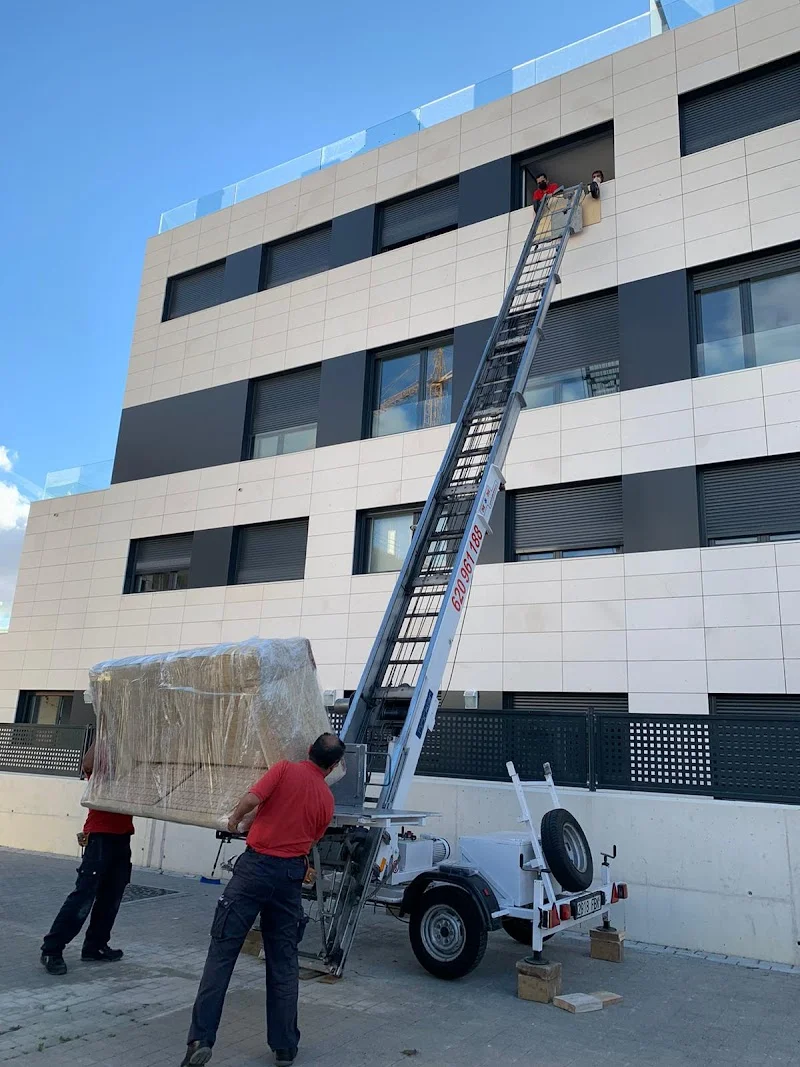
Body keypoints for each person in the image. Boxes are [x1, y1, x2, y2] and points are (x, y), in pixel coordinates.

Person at [181, 732, 345, 1067]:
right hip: (289, 878)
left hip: (255, 870)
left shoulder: (284, 769)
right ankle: (284, 1047)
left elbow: (253, 798)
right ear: (331, 768)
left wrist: (234, 819)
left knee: (222, 953)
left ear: (309, 751)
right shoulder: (326, 800)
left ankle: (201, 1039)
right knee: (283, 962)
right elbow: (309, 835)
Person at [40, 741, 134, 975]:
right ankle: (51, 949)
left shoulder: (131, 774)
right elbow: (88, 762)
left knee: (112, 895)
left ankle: (95, 946)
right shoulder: (99, 771)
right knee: (83, 895)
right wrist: (106, 730)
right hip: (100, 836)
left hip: (122, 837)